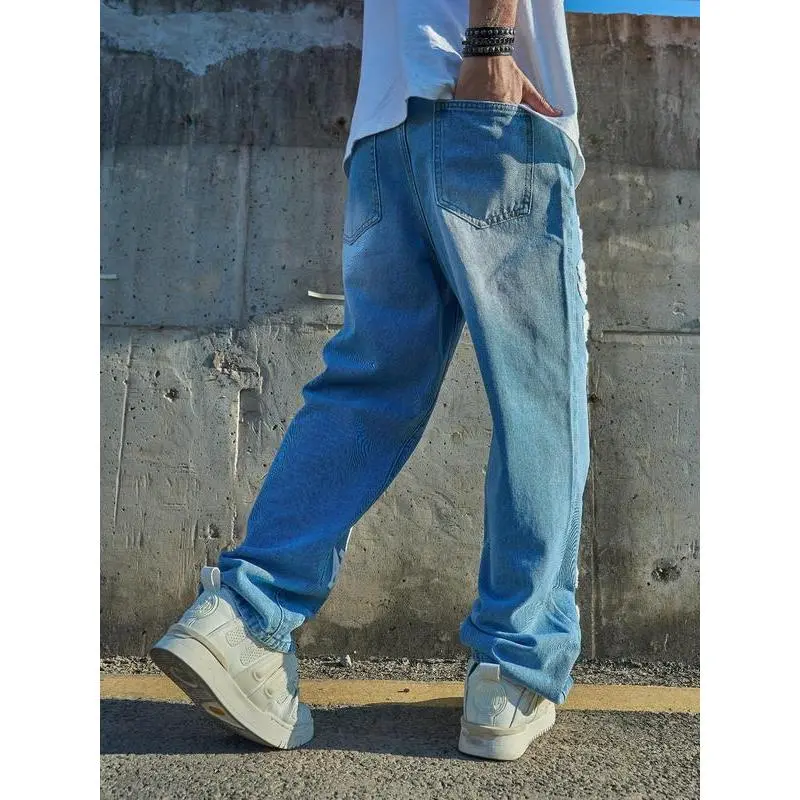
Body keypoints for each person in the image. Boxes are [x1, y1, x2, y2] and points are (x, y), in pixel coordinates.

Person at [151, 0, 589, 762]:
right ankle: (512, 668)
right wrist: (491, 41)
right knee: (540, 402)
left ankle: (243, 617)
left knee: (368, 391)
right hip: (489, 104)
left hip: (384, 132)